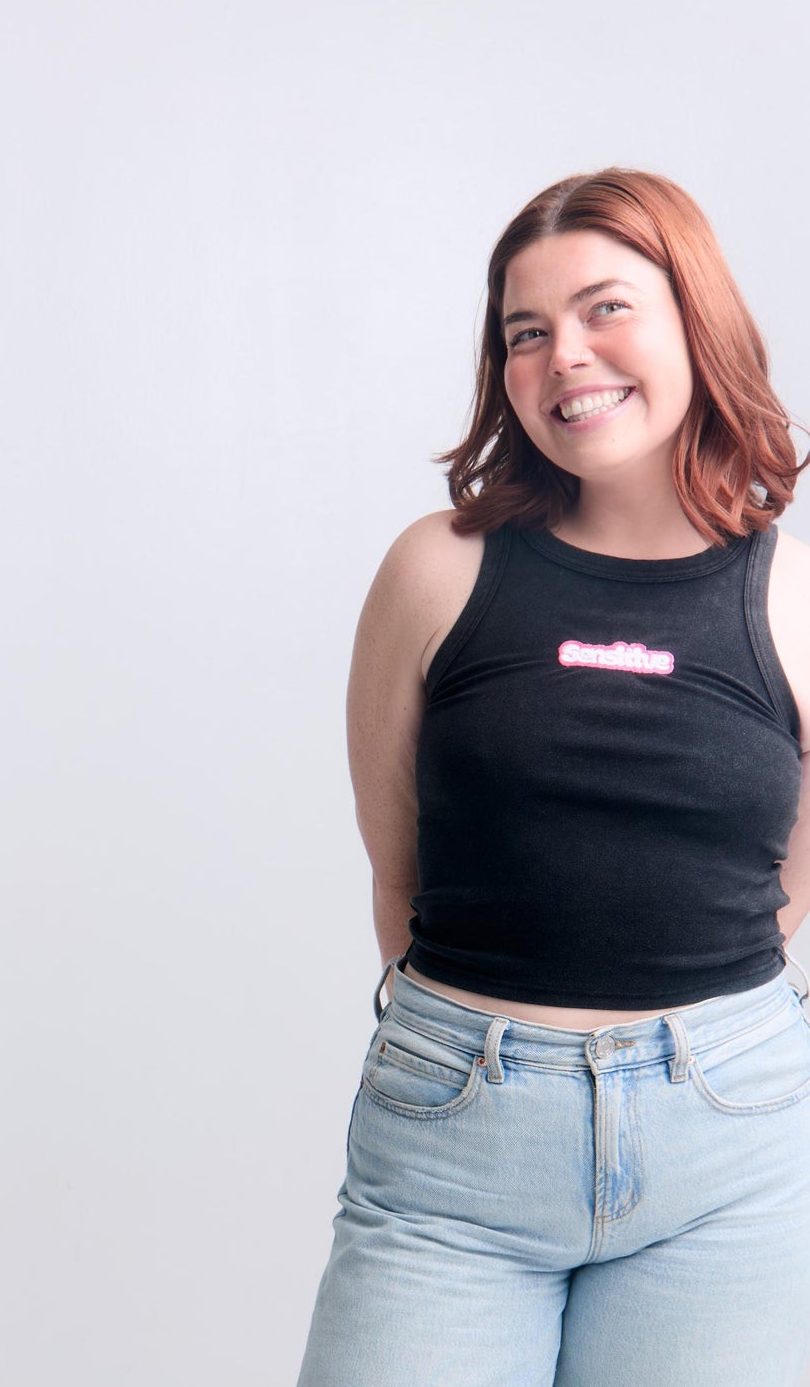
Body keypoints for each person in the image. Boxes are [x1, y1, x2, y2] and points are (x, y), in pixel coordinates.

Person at [295, 169, 810, 1387]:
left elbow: (789, 879)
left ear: (696, 318)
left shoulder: (791, 595)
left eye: (603, 309)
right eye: (524, 332)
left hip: (726, 1150)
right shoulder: (436, 570)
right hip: (454, 1144)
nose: (563, 355)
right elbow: (399, 866)